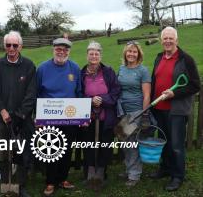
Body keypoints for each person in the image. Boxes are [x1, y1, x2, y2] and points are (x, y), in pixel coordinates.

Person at [149, 26, 200, 191]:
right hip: (159, 108)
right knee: (164, 141)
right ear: (161, 41)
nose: (168, 41)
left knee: (176, 144)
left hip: (176, 110)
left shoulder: (186, 60)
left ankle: (178, 176)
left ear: (176, 40)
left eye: (171, 38)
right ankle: (165, 168)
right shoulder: (158, 57)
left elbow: (195, 85)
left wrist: (174, 93)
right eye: (165, 38)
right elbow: (154, 80)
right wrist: (151, 103)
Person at [0, 31, 36, 197]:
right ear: (5, 46)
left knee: (19, 152)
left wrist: (20, 114)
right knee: (4, 152)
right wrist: (2, 111)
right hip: (1, 119)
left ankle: (19, 186)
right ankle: (6, 186)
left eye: (15, 45)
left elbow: (31, 94)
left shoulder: (29, 66)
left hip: (21, 119)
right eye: (8, 45)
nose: (12, 48)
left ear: (20, 46)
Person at [36, 38, 81, 196]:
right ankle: (50, 181)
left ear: (69, 51)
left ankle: (63, 178)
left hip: (70, 116)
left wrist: (82, 115)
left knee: (67, 149)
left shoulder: (74, 68)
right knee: (51, 149)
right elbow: (36, 92)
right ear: (53, 50)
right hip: (49, 116)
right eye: (58, 49)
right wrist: (38, 117)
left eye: (65, 50)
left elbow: (79, 92)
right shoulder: (42, 68)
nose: (61, 52)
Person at [81, 41, 120, 190]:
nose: (94, 56)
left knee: (105, 145)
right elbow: (78, 93)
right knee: (89, 144)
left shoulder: (108, 72)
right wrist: (90, 101)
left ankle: (101, 173)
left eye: (97, 53)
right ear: (87, 55)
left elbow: (116, 91)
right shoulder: (82, 72)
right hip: (88, 117)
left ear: (100, 55)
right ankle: (90, 173)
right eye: (91, 53)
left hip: (106, 116)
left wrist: (102, 99)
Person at [117, 41, 151, 187]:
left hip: (137, 112)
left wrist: (144, 114)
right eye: (129, 51)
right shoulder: (122, 69)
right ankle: (129, 168)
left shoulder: (143, 71)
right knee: (124, 142)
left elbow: (147, 95)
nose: (131, 54)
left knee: (132, 144)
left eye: (134, 52)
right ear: (125, 53)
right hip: (122, 112)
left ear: (139, 54)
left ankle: (134, 175)